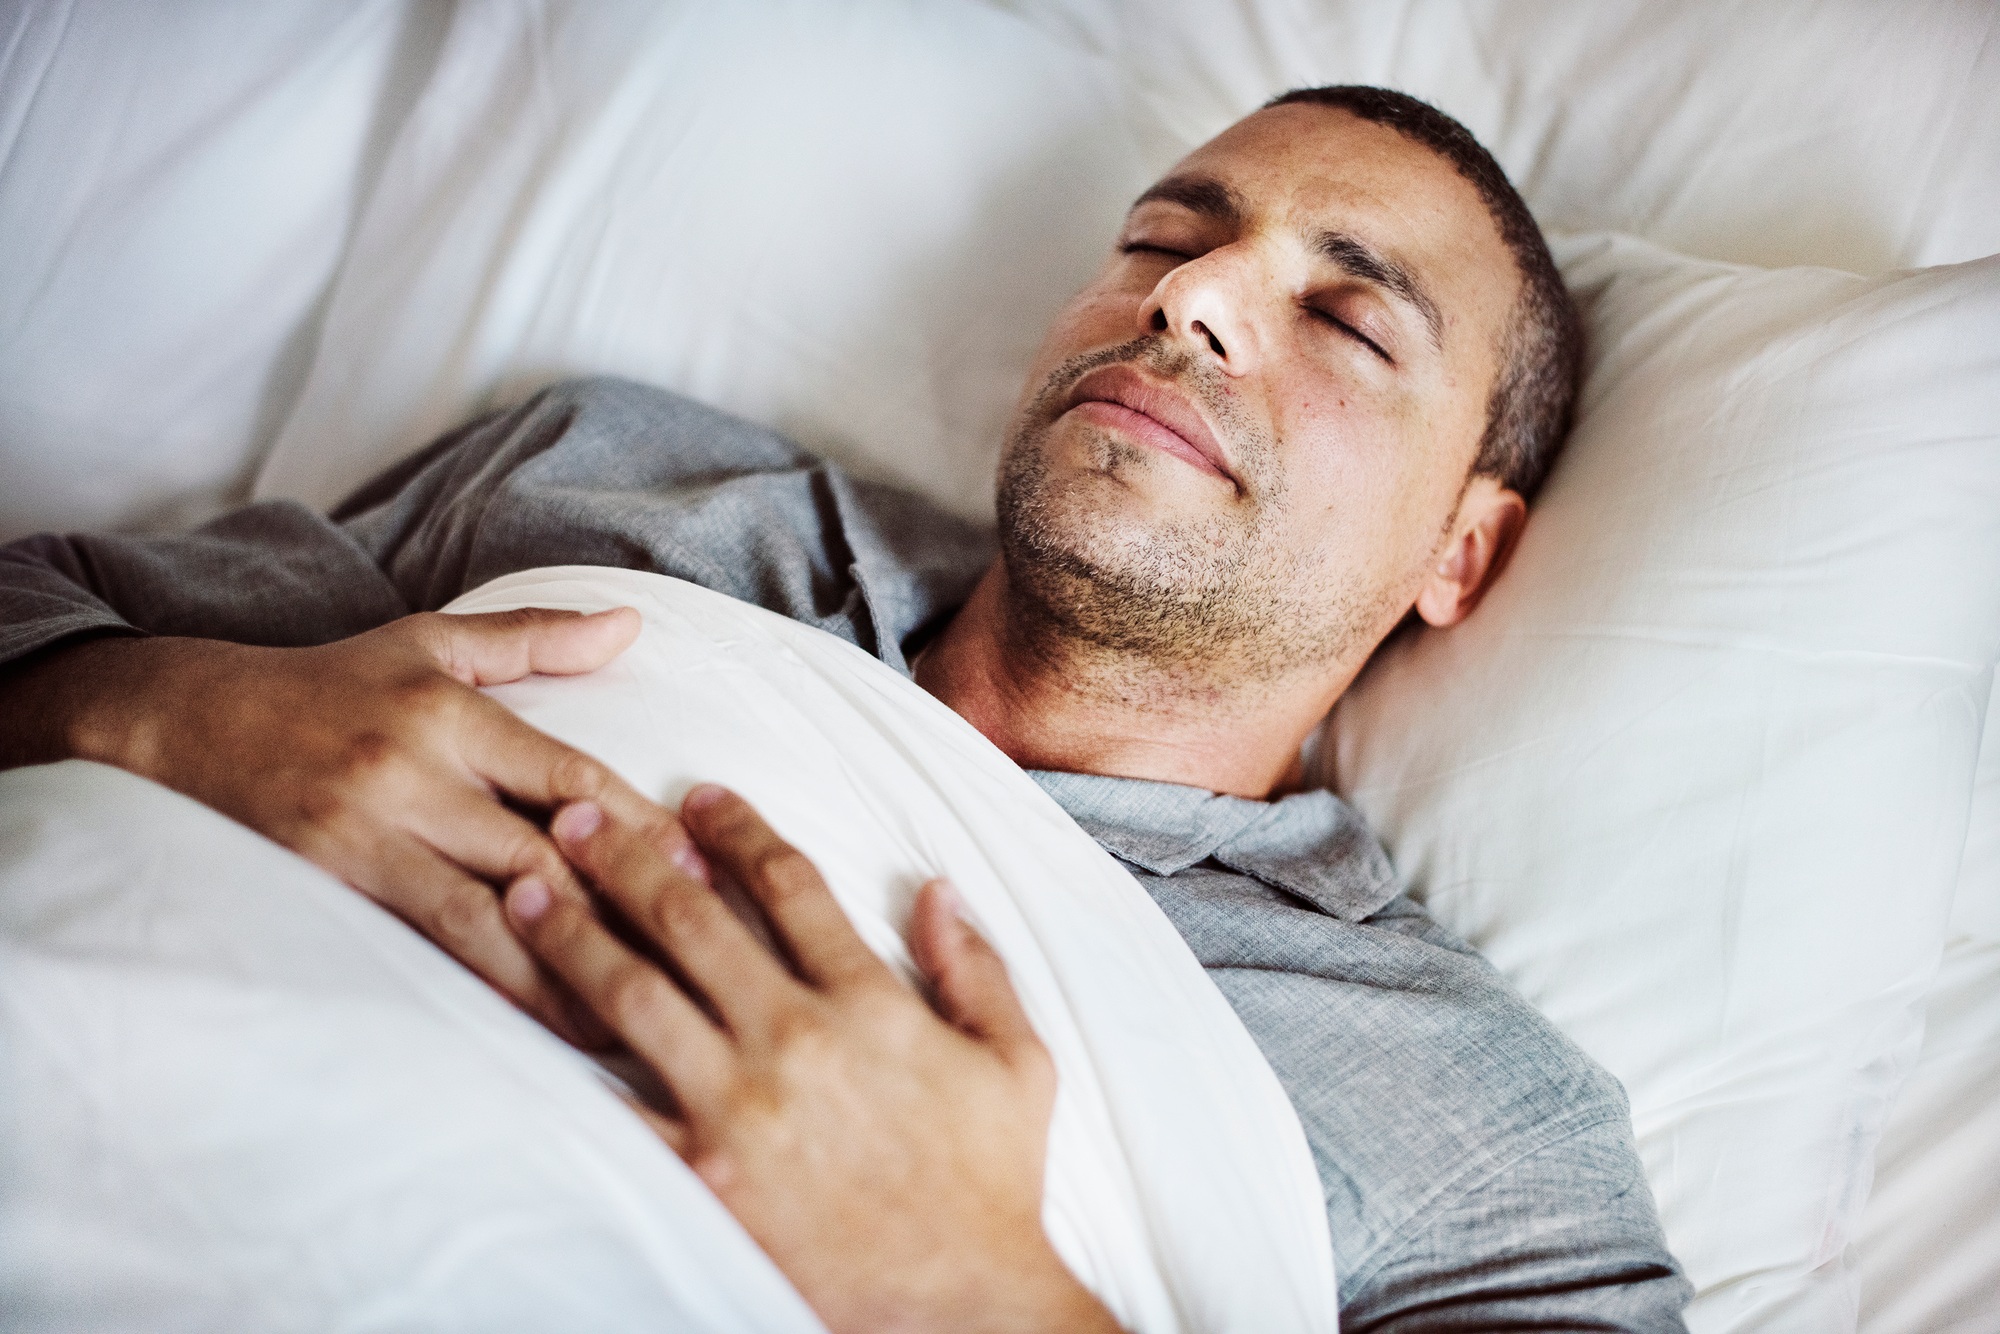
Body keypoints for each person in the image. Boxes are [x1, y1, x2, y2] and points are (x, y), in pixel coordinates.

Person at [0, 87, 1693, 1330]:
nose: (1189, 299)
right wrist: (154, 706)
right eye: (1164, 243)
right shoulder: (624, 487)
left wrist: (973, 1282)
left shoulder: (1477, 1120)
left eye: (1342, 313)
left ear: (1460, 553)